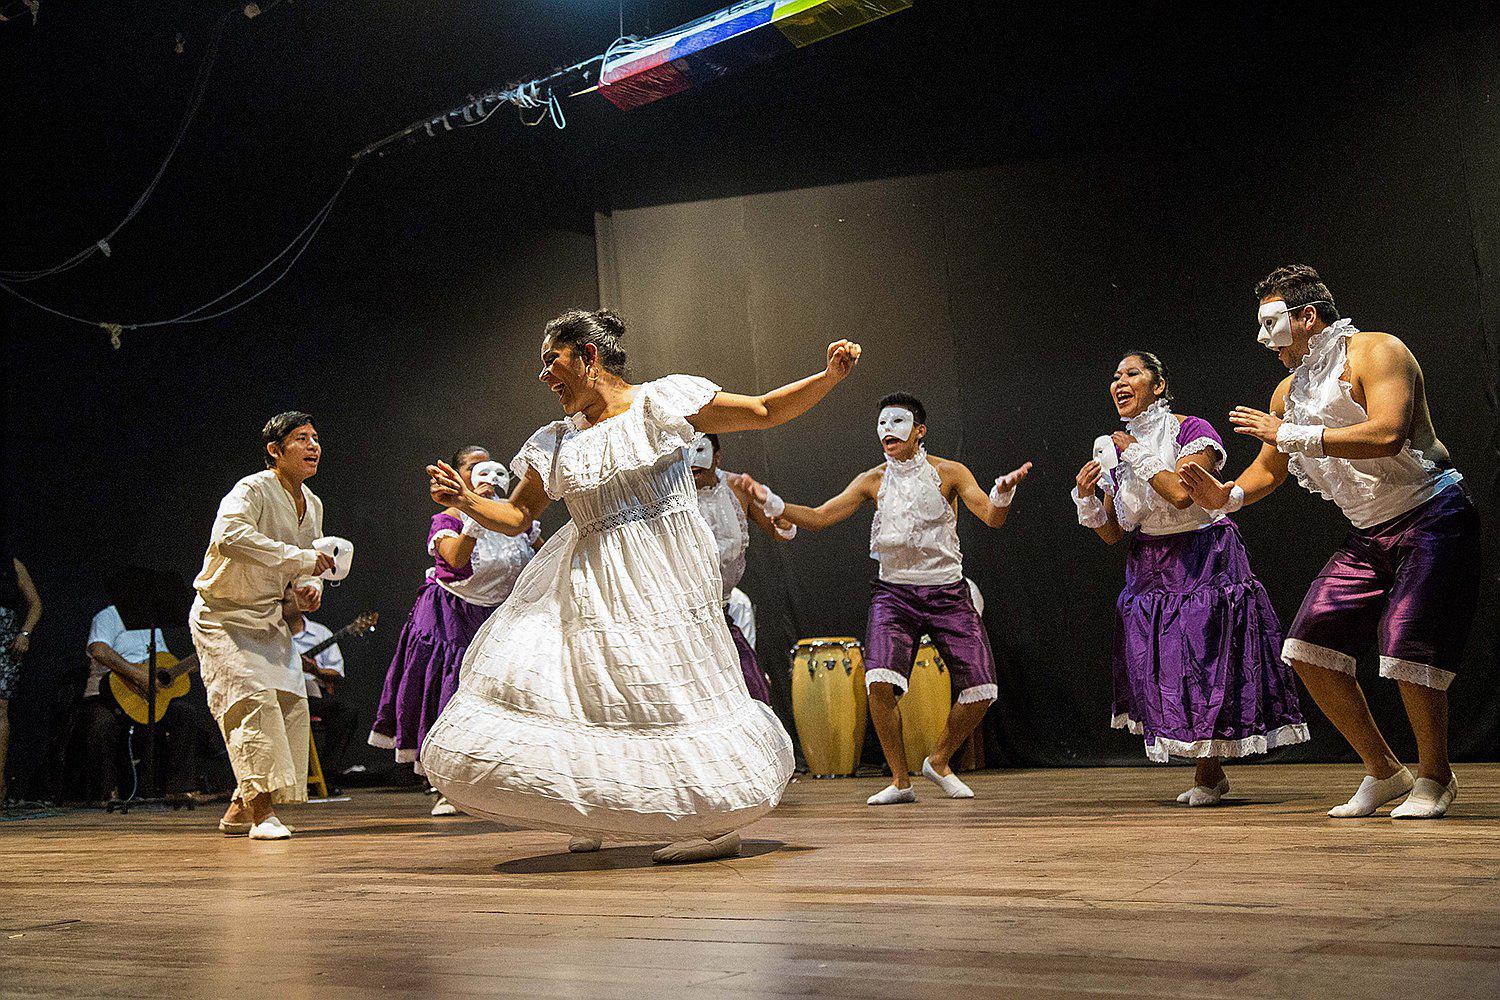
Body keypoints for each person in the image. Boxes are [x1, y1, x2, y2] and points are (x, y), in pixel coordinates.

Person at [419, 308, 859, 863]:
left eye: (551, 361)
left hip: (664, 572)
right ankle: (598, 808)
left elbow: (763, 409)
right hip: (591, 575)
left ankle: (714, 820)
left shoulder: (661, 403)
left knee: (670, 689)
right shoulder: (554, 441)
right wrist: (465, 502)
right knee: (591, 692)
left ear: (588, 357)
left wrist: (828, 378)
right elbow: (515, 516)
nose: (543, 376)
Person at [1180, 265, 1480, 819]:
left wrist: (1292, 435)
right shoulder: (1288, 391)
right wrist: (1228, 497)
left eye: (1271, 323)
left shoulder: (1376, 352)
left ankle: (1436, 778)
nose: (1263, 339)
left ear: (1307, 317)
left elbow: (1388, 433)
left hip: (1431, 514)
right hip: (1368, 533)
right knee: (1309, 646)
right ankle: (1385, 771)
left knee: (1406, 643)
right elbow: (1270, 469)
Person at [1072, 351, 1308, 804]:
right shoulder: (1115, 449)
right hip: (1149, 565)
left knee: (1206, 659)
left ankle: (1207, 774)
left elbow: (1182, 495)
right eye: (1115, 376)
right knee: (1167, 666)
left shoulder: (1192, 431)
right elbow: (1113, 530)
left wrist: (1133, 452)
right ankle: (1208, 773)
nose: (1120, 382)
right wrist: (1087, 499)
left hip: (1205, 556)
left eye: (1132, 373)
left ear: (1158, 385)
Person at [772, 392, 1031, 805]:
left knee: (983, 689)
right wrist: (774, 503)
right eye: (881, 424)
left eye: (896, 422)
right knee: (879, 681)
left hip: (947, 590)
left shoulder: (949, 472)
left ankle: (939, 761)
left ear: (920, 431)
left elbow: (991, 517)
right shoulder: (872, 480)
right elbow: (821, 517)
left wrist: (1002, 492)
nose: (886, 430)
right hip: (893, 593)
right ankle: (899, 780)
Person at [369, 445, 541, 817]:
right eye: (475, 469)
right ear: (459, 477)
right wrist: (473, 514)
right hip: (452, 615)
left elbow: (541, 558)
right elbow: (457, 559)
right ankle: (447, 782)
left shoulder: (517, 521)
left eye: (493, 470)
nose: (488, 478)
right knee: (450, 691)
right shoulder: (446, 522)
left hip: (499, 618)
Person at [189, 412, 335, 840]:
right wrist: (300, 561)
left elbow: (307, 562)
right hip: (223, 615)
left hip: (267, 616)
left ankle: (240, 804)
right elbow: (229, 537)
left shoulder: (314, 503)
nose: (313, 446)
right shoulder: (252, 489)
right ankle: (262, 816)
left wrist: (309, 588)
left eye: (315, 438)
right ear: (275, 450)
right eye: (300, 439)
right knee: (252, 704)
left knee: (291, 704)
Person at [688, 432, 795, 705]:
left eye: (700, 450)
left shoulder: (736, 487)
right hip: (683, 614)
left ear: (717, 456)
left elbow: (777, 530)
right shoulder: (674, 495)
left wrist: (783, 524)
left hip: (721, 610)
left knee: (755, 692)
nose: (692, 460)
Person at [83, 604, 206, 802]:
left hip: (146, 700)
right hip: (108, 694)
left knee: (185, 713)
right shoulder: (108, 615)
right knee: (102, 724)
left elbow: (163, 663)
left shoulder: (153, 625)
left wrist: (169, 675)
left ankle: (179, 789)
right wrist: (137, 675)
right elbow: (99, 650)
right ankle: (107, 792)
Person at [286, 606, 358, 794]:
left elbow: (336, 672)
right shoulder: (270, 634)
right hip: (282, 696)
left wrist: (315, 670)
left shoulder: (319, 633)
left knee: (345, 712)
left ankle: (327, 775)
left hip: (310, 696)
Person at [0, 551, 41, 806]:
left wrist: (25, 633)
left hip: (4, 641)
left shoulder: (11, 564)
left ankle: (0, 785)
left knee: (0, 708)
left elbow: (35, 604)